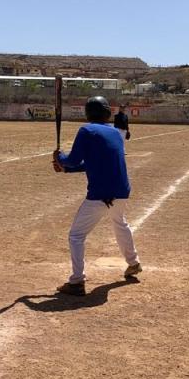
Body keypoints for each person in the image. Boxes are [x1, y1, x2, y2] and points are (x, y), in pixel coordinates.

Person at [52, 96, 142, 296]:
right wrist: (65, 168)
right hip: (121, 190)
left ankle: (77, 281)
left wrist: (60, 157)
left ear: (88, 112)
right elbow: (94, 163)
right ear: (107, 113)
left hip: (101, 193)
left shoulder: (87, 130)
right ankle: (133, 262)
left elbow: (74, 160)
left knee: (76, 236)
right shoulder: (115, 133)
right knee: (120, 223)